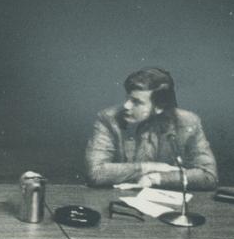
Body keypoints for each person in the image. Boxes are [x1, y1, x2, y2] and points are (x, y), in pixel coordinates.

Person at [85, 67, 218, 189]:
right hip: (118, 198)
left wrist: (157, 178)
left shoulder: (188, 122)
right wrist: (148, 167)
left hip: (169, 204)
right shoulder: (108, 119)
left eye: (136, 102)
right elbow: (95, 173)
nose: (126, 105)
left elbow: (209, 176)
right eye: (128, 98)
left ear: (159, 106)